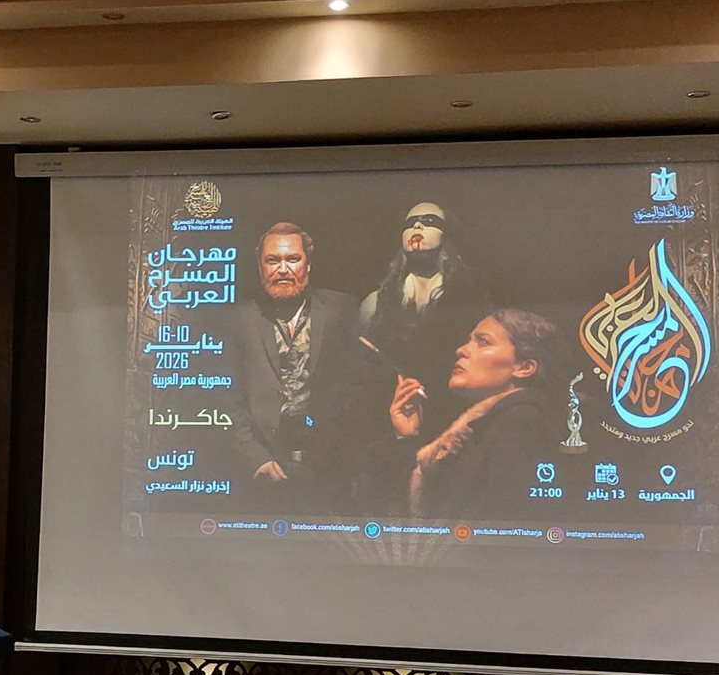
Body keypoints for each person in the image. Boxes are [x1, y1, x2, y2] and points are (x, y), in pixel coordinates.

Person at [224, 222, 363, 509]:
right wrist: (256, 458)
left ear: (308, 264)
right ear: (260, 266)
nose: (283, 269)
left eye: (293, 259)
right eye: (273, 260)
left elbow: (357, 387)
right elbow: (226, 397)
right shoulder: (239, 320)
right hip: (263, 472)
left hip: (332, 471)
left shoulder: (343, 310)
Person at [385, 308, 565, 519]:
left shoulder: (522, 424)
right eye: (469, 340)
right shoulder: (483, 428)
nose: (461, 350)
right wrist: (406, 436)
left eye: (483, 341)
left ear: (524, 368)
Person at [359, 201, 484, 436]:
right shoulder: (376, 304)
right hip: (388, 416)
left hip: (452, 416)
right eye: (410, 223)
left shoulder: (469, 301)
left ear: (446, 234)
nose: (417, 226)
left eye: (429, 221)